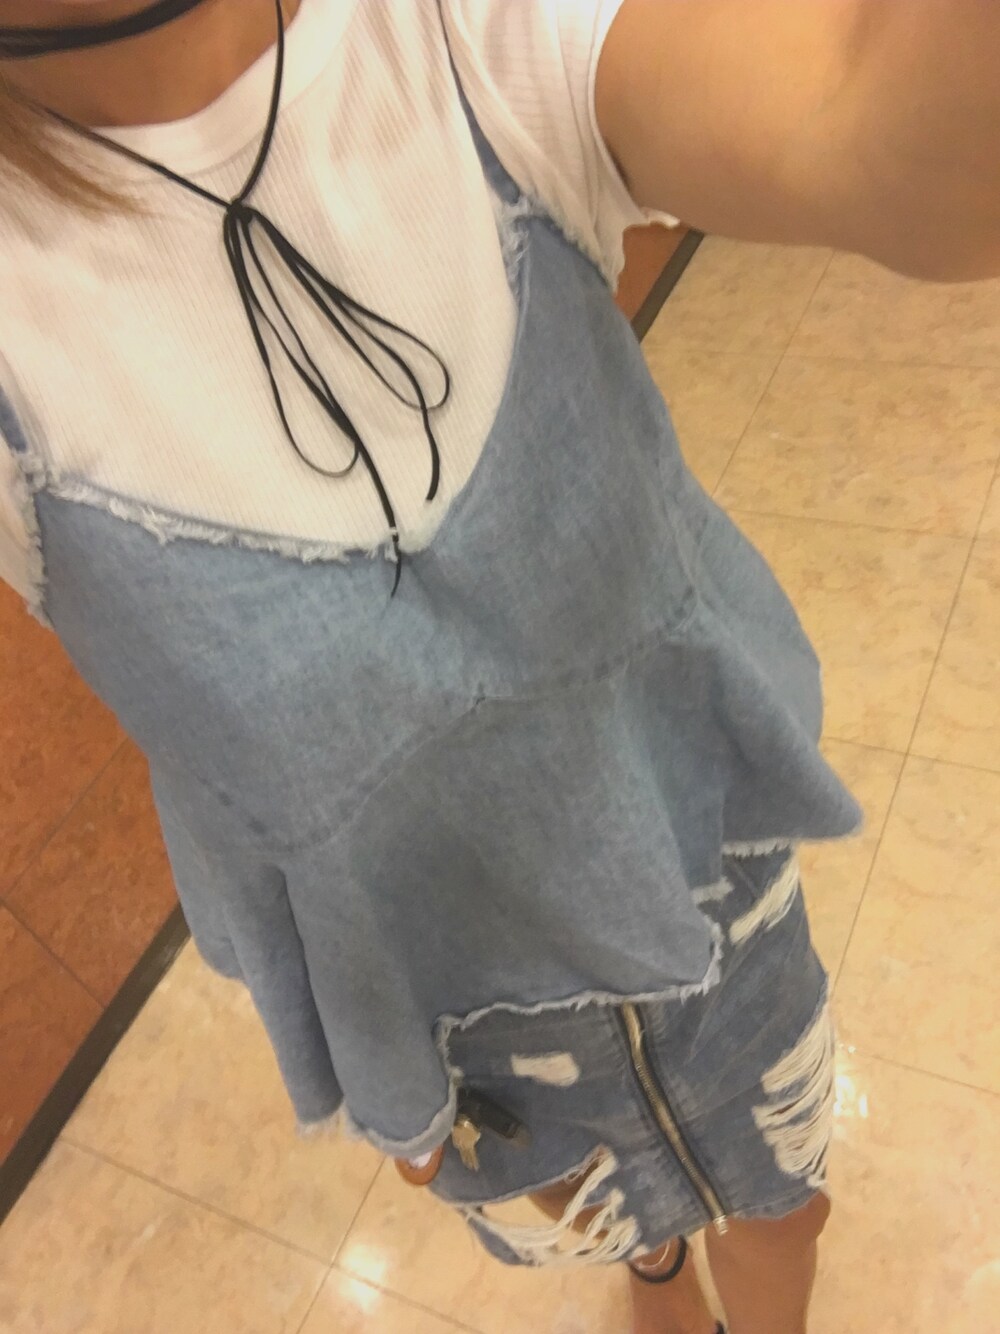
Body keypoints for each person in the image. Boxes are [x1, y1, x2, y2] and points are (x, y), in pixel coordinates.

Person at [1, 3, 997, 1332]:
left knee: (782, 1200)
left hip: (702, 893)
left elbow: (876, 125)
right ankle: (653, 1273)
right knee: (622, 1216)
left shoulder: (459, 32)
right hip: (468, 1026)